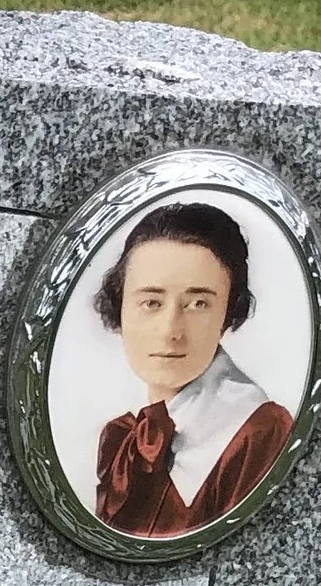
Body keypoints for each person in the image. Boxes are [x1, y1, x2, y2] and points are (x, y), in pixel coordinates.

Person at [90, 202, 293, 540]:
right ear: (120, 308)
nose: (171, 330)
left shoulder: (260, 433)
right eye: (151, 303)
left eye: (199, 304)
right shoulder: (125, 437)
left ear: (229, 312)